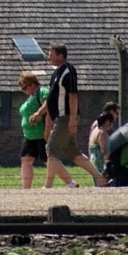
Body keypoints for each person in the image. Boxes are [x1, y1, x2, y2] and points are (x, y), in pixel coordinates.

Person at [43, 42, 108, 188]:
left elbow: (73, 95)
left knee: (51, 149)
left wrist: (72, 119)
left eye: (51, 54)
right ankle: (100, 177)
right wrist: (39, 113)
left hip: (66, 117)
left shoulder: (68, 70)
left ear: (60, 56)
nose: (49, 57)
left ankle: (48, 185)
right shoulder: (56, 73)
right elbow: (51, 98)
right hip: (60, 118)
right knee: (73, 153)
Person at [17, 72, 49, 189]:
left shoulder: (42, 92)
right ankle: (26, 189)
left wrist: (38, 114)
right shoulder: (30, 97)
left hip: (41, 133)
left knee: (49, 161)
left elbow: (48, 103)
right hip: (29, 136)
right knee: (26, 160)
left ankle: (70, 182)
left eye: (24, 87)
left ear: (31, 84)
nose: (23, 90)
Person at [88, 112, 115, 181]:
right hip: (101, 165)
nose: (113, 124)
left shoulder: (95, 131)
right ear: (107, 122)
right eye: (112, 121)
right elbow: (104, 151)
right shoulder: (102, 133)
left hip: (93, 162)